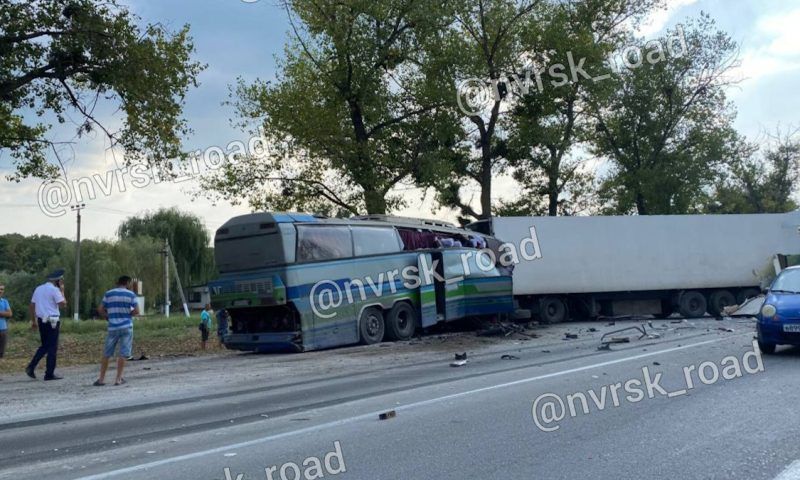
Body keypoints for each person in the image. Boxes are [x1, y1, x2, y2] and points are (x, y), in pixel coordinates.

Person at [94, 276, 139, 386]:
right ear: (127, 283)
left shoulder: (109, 293)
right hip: (126, 327)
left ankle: (101, 379)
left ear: (118, 282)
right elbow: (137, 311)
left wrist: (107, 316)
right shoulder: (131, 294)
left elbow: (100, 309)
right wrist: (128, 315)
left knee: (107, 353)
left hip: (112, 327)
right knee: (123, 353)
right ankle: (118, 379)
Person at [26, 269, 67, 381]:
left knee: (45, 345)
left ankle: (31, 366)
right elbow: (63, 304)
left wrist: (33, 320)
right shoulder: (55, 290)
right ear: (57, 281)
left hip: (41, 319)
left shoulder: (38, 289)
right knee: (52, 347)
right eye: (61, 281)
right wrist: (62, 291)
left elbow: (32, 305)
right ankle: (48, 373)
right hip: (53, 319)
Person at [0, 284, 13, 373]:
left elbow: (9, 314)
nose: (0, 291)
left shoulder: (4, 301)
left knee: (1, 352)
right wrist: (4, 313)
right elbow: (6, 313)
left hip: (3, 329)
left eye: (2, 289)